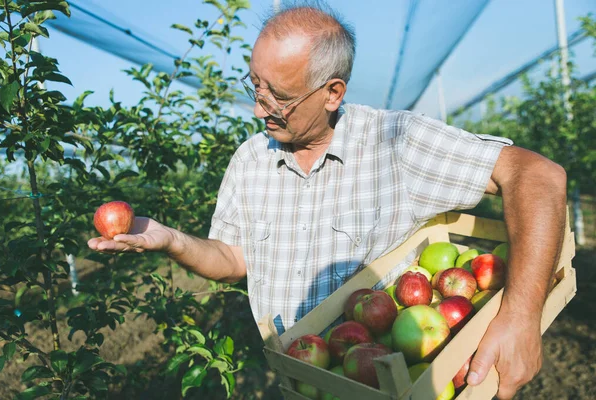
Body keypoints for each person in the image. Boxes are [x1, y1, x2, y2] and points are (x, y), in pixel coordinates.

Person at [88, 4, 568, 399]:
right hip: (299, 384)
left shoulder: (395, 143)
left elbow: (538, 176)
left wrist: (520, 317)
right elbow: (234, 258)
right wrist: (171, 240)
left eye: (278, 96)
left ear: (332, 92)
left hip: (396, 385)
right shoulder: (251, 159)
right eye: (254, 84)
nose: (258, 107)